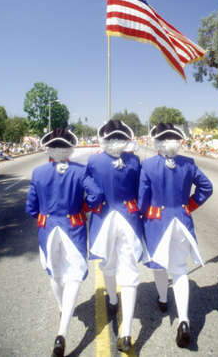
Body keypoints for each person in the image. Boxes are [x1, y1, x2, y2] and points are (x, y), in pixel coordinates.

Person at [26, 128, 103, 357]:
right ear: (70, 148)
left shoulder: (38, 172)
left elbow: (30, 207)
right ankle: (62, 333)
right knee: (74, 276)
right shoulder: (80, 171)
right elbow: (96, 195)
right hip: (73, 227)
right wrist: (84, 208)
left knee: (55, 273)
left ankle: (62, 309)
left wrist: (44, 215)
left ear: (48, 148)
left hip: (48, 228)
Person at [138, 123, 213, 348]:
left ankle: (162, 300)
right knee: (180, 270)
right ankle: (183, 321)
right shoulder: (189, 163)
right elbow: (206, 188)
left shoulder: (148, 165)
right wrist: (189, 205)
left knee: (159, 265)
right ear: (178, 141)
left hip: (157, 222)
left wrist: (143, 214)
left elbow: (142, 199)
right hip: (181, 220)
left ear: (157, 142)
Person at [85, 120, 143, 353]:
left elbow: (88, 190)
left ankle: (111, 301)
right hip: (128, 218)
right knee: (129, 272)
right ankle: (126, 331)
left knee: (108, 265)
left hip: (104, 219)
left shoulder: (94, 161)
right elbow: (142, 192)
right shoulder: (134, 161)